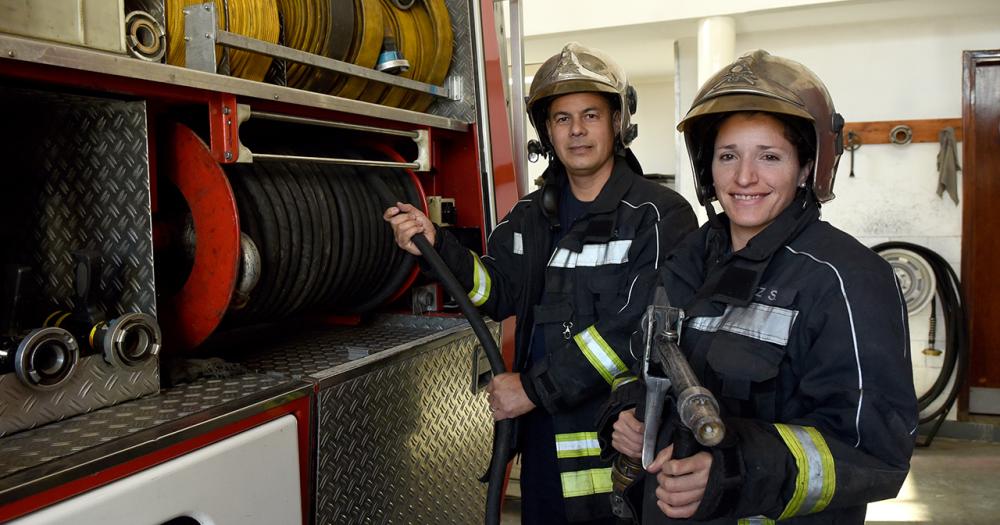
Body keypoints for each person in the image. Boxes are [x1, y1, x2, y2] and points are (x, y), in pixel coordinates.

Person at [385, 42, 697, 524]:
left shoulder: (658, 216)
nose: (576, 131)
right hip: (543, 451)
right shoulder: (531, 217)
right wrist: (437, 245)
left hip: (621, 454)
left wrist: (532, 388)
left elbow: (638, 331)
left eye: (590, 115)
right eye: (562, 118)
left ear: (617, 122)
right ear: (547, 132)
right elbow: (497, 291)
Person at [604, 50, 917, 524]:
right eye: (728, 155)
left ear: (807, 168)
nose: (744, 177)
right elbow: (640, 362)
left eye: (769, 156)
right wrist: (627, 412)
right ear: (707, 166)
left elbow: (872, 450)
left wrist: (732, 472)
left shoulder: (846, 278)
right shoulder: (683, 261)